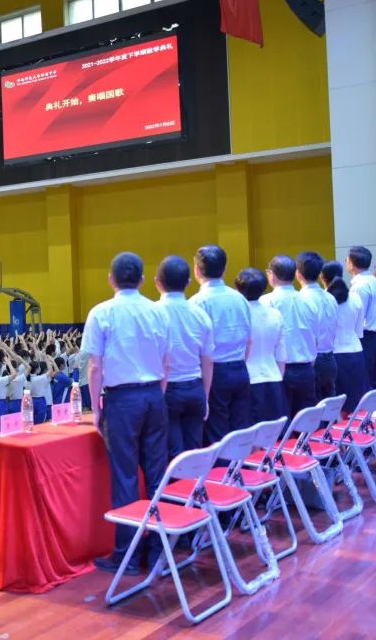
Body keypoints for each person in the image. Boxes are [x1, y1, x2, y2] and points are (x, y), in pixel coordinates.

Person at [83, 252, 169, 575]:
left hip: (121, 400)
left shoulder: (101, 313)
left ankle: (127, 556)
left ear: (111, 279)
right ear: (144, 280)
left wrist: (95, 408)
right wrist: (156, 396)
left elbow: (95, 366)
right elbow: (165, 362)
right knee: (158, 474)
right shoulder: (156, 311)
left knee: (125, 478)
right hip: (153, 395)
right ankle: (160, 548)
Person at [190, 245, 252, 443]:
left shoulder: (197, 302)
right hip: (240, 368)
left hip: (214, 373)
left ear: (197, 270)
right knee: (239, 431)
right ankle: (239, 473)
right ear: (224, 269)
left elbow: (196, 347)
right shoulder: (239, 298)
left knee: (217, 434)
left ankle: (222, 473)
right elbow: (249, 339)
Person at [154, 256, 214, 460]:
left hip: (166, 389)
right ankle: (194, 491)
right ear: (188, 282)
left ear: (157, 282)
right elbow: (208, 360)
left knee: (173, 454)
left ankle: (178, 491)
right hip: (195, 387)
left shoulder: (152, 313)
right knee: (195, 451)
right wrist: (205, 395)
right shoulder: (200, 314)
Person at [263, 255, 318, 416]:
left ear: (272, 274)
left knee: (282, 421)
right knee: (306, 423)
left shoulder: (266, 301)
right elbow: (315, 338)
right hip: (307, 368)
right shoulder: (309, 300)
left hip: (279, 370)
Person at [238, 268, 287, 423]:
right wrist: (279, 378)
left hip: (248, 379)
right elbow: (281, 354)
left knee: (251, 434)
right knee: (272, 434)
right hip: (273, 376)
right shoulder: (275, 314)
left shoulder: (238, 315)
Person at [322, 262, 369, 412]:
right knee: (357, 402)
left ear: (322, 277)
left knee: (336, 405)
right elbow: (359, 330)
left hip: (334, 354)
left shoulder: (324, 299)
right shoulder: (355, 298)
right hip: (355, 350)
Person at [296, 252, 338, 400]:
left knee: (314, 413)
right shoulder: (330, 297)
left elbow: (307, 336)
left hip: (314, 361)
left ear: (298, 274)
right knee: (329, 411)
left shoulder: (302, 299)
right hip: (330, 359)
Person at [346, 246, 376, 388]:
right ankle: (374, 410)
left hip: (364, 337)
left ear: (351, 263)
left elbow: (357, 315)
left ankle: (366, 410)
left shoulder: (359, 286)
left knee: (364, 380)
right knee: (375, 380)